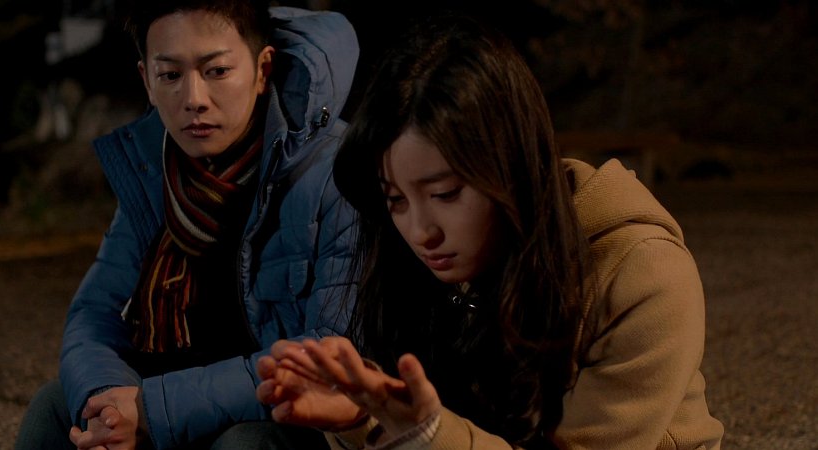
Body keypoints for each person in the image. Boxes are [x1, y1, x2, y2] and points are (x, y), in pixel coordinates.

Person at [254, 12, 725, 450]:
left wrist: (426, 434)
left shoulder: (643, 272)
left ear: (510, 166)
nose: (420, 232)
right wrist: (361, 417)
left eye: (445, 194)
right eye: (396, 200)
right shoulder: (419, 261)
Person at [14, 0, 359, 449]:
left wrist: (153, 410)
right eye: (171, 75)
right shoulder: (156, 168)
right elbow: (96, 313)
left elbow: (330, 351)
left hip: (283, 414)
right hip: (170, 400)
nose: (194, 98)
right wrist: (111, 404)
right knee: (57, 405)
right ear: (147, 81)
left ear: (262, 71)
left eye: (217, 71)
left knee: (245, 444)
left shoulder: (336, 171)